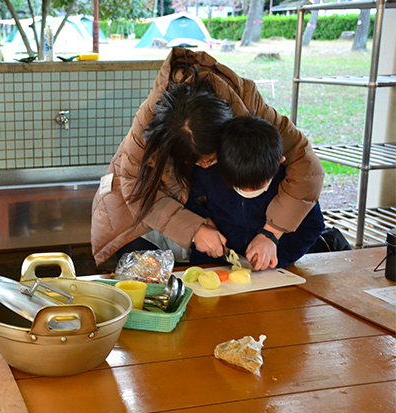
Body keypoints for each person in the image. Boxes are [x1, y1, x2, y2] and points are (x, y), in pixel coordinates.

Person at [91, 47, 325, 271]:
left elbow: (307, 167)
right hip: (139, 210)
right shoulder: (147, 125)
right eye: (196, 162)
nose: (204, 166)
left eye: (210, 159)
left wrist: (272, 231)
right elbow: (134, 187)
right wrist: (194, 229)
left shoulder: (246, 103)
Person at [184, 116, 325, 269]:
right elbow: (188, 205)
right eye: (238, 185)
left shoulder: (291, 187)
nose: (248, 192)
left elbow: (312, 226)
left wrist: (275, 254)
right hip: (211, 264)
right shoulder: (206, 174)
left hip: (269, 272)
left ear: (279, 162)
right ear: (219, 162)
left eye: (258, 186)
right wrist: (200, 226)